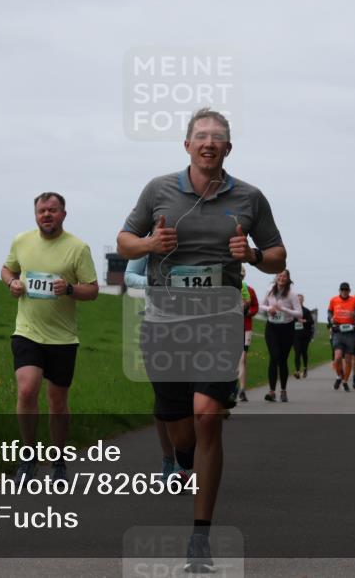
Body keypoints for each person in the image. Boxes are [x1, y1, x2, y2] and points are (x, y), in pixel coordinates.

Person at [117, 107, 286, 573]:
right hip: (166, 321)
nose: (209, 142)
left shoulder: (250, 197)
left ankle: (200, 538)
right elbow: (124, 240)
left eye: (218, 137)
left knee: (208, 414)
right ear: (187, 145)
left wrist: (251, 254)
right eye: (201, 136)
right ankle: (183, 454)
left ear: (228, 149)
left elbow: (276, 256)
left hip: (220, 318)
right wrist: (150, 245)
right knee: (179, 423)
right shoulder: (158, 190)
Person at [2, 192, 99, 485]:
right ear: (35, 215)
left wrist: (69, 289)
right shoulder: (22, 241)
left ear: (63, 215)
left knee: (57, 401)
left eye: (53, 210)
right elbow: (7, 269)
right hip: (28, 331)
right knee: (27, 389)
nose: (47, 215)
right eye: (42, 211)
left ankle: (58, 459)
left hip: (62, 338)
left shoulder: (78, 248)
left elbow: (92, 290)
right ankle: (28, 456)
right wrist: (13, 283)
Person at [125, 255, 189, 484]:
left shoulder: (197, 238)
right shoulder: (149, 242)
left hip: (194, 327)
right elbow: (129, 276)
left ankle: (183, 462)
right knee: (163, 397)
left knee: (188, 396)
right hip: (157, 327)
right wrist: (152, 283)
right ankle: (168, 458)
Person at [259, 270, 303, 402]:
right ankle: (271, 392)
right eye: (279, 275)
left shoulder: (291, 295)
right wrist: (269, 309)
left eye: (284, 276)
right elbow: (261, 306)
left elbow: (299, 313)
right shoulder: (269, 291)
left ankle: (283, 390)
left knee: (282, 360)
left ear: (288, 279)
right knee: (274, 357)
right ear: (276, 277)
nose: (281, 277)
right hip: (272, 328)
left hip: (287, 329)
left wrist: (284, 309)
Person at [327, 282, 355, 392]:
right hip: (338, 331)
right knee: (337, 358)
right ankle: (339, 376)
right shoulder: (334, 300)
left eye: (346, 290)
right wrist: (330, 319)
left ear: (349, 291)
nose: (344, 292)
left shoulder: (354, 300)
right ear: (339, 291)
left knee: (348, 359)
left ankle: (345, 381)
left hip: (350, 332)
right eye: (342, 290)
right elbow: (329, 311)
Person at [238, 266, 259, 402]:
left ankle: (242, 389)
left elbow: (255, 306)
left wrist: (248, 311)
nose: (241, 276)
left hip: (246, 328)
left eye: (242, 273)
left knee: (243, 359)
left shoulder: (249, 290)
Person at [292, 293, 314, 379]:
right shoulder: (292, 310)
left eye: (300, 299)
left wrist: (305, 321)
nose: (298, 300)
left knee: (304, 352)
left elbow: (311, 322)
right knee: (297, 352)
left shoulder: (306, 311)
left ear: (302, 300)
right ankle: (297, 371)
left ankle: (305, 368)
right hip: (295, 335)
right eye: (297, 299)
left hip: (305, 335)